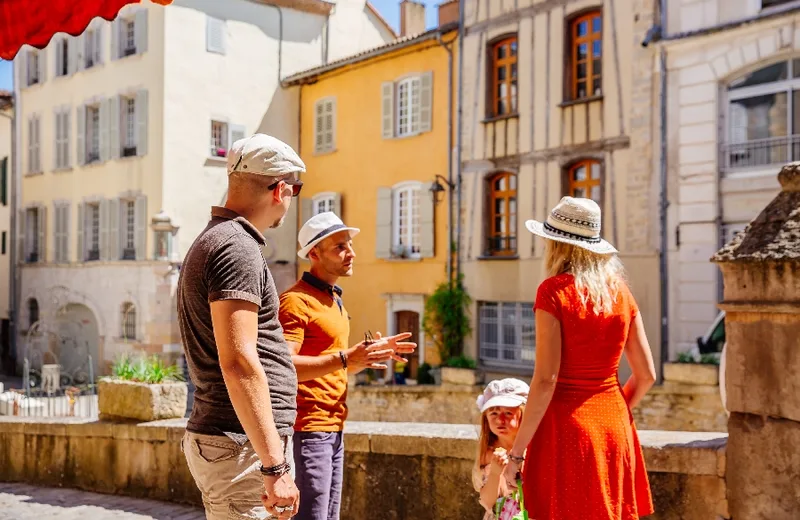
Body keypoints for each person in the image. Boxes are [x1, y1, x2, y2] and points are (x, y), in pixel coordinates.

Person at [503, 196, 657, 519]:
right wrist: (612, 411)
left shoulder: (552, 292)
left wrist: (516, 455)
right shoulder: (622, 294)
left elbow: (546, 380)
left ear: (557, 246)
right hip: (615, 427)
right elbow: (646, 376)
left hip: (566, 432)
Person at [177, 134, 306, 520]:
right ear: (281, 189)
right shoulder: (236, 247)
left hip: (238, 444)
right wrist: (274, 467)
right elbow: (239, 363)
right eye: (295, 189)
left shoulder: (219, 239)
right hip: (241, 447)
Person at [279, 211, 416, 520]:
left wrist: (364, 358)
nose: (351, 253)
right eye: (340, 246)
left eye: (350, 244)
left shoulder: (333, 300)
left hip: (335, 426)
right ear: (314, 253)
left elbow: (332, 366)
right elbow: (283, 365)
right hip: (307, 428)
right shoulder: (296, 301)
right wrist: (345, 358)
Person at [471, 378, 529, 520]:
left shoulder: (536, 449)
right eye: (494, 413)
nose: (500, 420)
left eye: (508, 413)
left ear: (525, 413)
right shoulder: (489, 453)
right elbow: (487, 503)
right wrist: (495, 474)